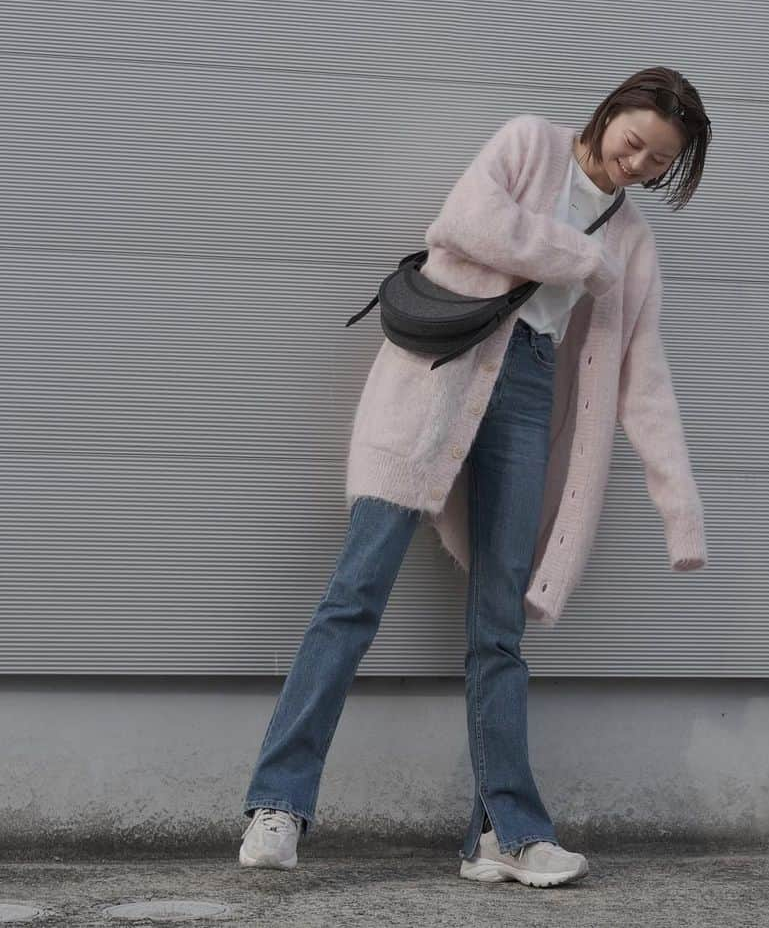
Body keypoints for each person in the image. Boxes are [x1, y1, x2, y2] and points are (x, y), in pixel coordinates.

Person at [238, 66, 712, 887]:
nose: (636, 165)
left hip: (527, 390)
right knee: (354, 597)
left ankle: (502, 832)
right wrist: (581, 256)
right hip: (437, 379)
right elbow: (466, 221)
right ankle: (277, 802)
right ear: (610, 112)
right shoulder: (529, 142)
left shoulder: (632, 241)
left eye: (657, 163)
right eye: (636, 142)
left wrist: (683, 514)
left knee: (500, 624)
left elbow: (645, 377)